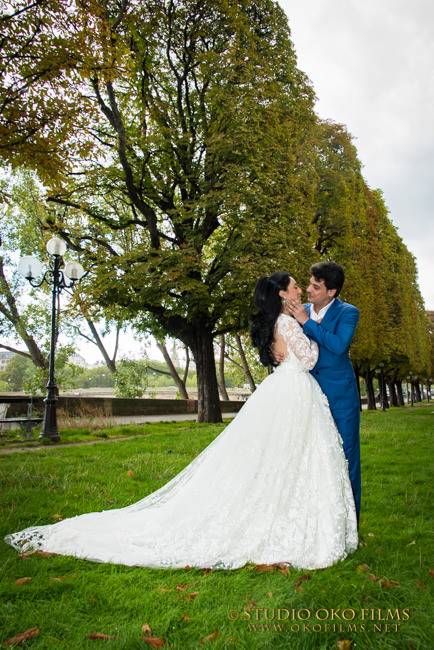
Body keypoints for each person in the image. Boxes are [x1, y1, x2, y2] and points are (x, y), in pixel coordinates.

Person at [5, 272, 358, 571]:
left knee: (277, 455)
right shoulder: (288, 320)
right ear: (283, 294)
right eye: (296, 287)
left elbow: (283, 353)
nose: (301, 291)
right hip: (295, 391)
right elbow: (310, 359)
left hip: (282, 390)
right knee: (292, 455)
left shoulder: (274, 323)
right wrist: (303, 326)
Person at [282, 262, 361, 522]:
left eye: (316, 286)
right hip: (306, 395)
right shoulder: (297, 308)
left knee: (345, 455)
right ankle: (313, 520)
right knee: (310, 455)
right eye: (308, 283)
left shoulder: (349, 313)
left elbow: (339, 346)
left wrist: (306, 322)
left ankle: (350, 522)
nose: (308, 290)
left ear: (332, 291)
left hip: (340, 397)